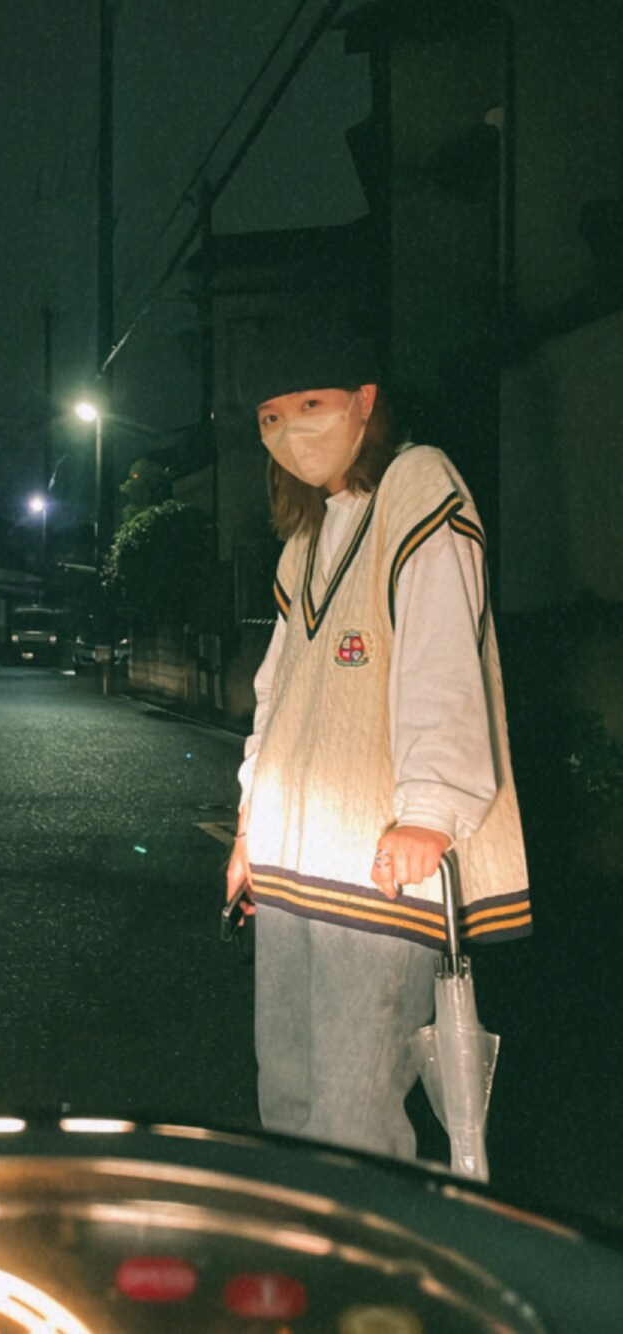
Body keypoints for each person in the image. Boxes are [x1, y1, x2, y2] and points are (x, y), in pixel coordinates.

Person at [226, 313, 531, 1161]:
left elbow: (442, 653)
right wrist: (250, 827)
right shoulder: (305, 539)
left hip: (376, 864)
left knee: (354, 1113)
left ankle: (363, 1241)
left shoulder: (418, 485)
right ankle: (307, 1240)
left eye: (311, 404)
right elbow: (276, 696)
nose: (292, 430)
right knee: (288, 1093)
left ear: (365, 401)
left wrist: (431, 810)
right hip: (293, 858)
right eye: (272, 417)